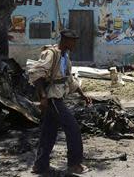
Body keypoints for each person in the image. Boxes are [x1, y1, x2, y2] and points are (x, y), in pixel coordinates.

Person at [28, 29, 91, 175]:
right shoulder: (51, 54)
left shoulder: (65, 56)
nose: (75, 44)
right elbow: (37, 74)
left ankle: (40, 165)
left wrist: (83, 94)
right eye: (73, 41)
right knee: (73, 128)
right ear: (66, 41)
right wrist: (43, 97)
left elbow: (69, 79)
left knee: (48, 132)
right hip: (52, 98)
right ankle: (74, 164)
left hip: (58, 96)